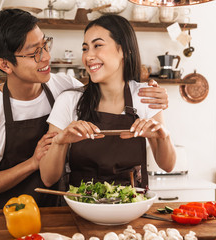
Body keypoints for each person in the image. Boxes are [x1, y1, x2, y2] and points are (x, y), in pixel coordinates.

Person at [0, 9, 170, 210]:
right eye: (34, 52)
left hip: (60, 209)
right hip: (10, 213)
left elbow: (102, 88)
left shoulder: (64, 87)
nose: (46, 57)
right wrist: (33, 163)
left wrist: (158, 98)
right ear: (5, 65)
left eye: (45, 45)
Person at [40, 14, 176, 190]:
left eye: (97, 46)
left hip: (130, 209)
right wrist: (60, 142)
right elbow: (48, 178)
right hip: (81, 208)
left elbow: (168, 165)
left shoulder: (145, 96)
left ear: (124, 51)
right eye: (85, 48)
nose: (89, 56)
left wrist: (163, 136)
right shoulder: (69, 100)